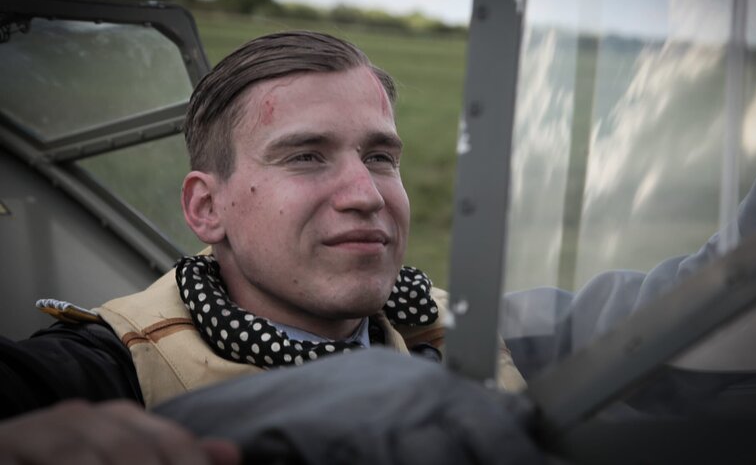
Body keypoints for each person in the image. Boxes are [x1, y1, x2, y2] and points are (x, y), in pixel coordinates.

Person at [0, 31, 525, 461]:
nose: (366, 195)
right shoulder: (106, 372)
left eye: (381, 157)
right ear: (207, 208)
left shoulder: (467, 324)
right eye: (305, 157)